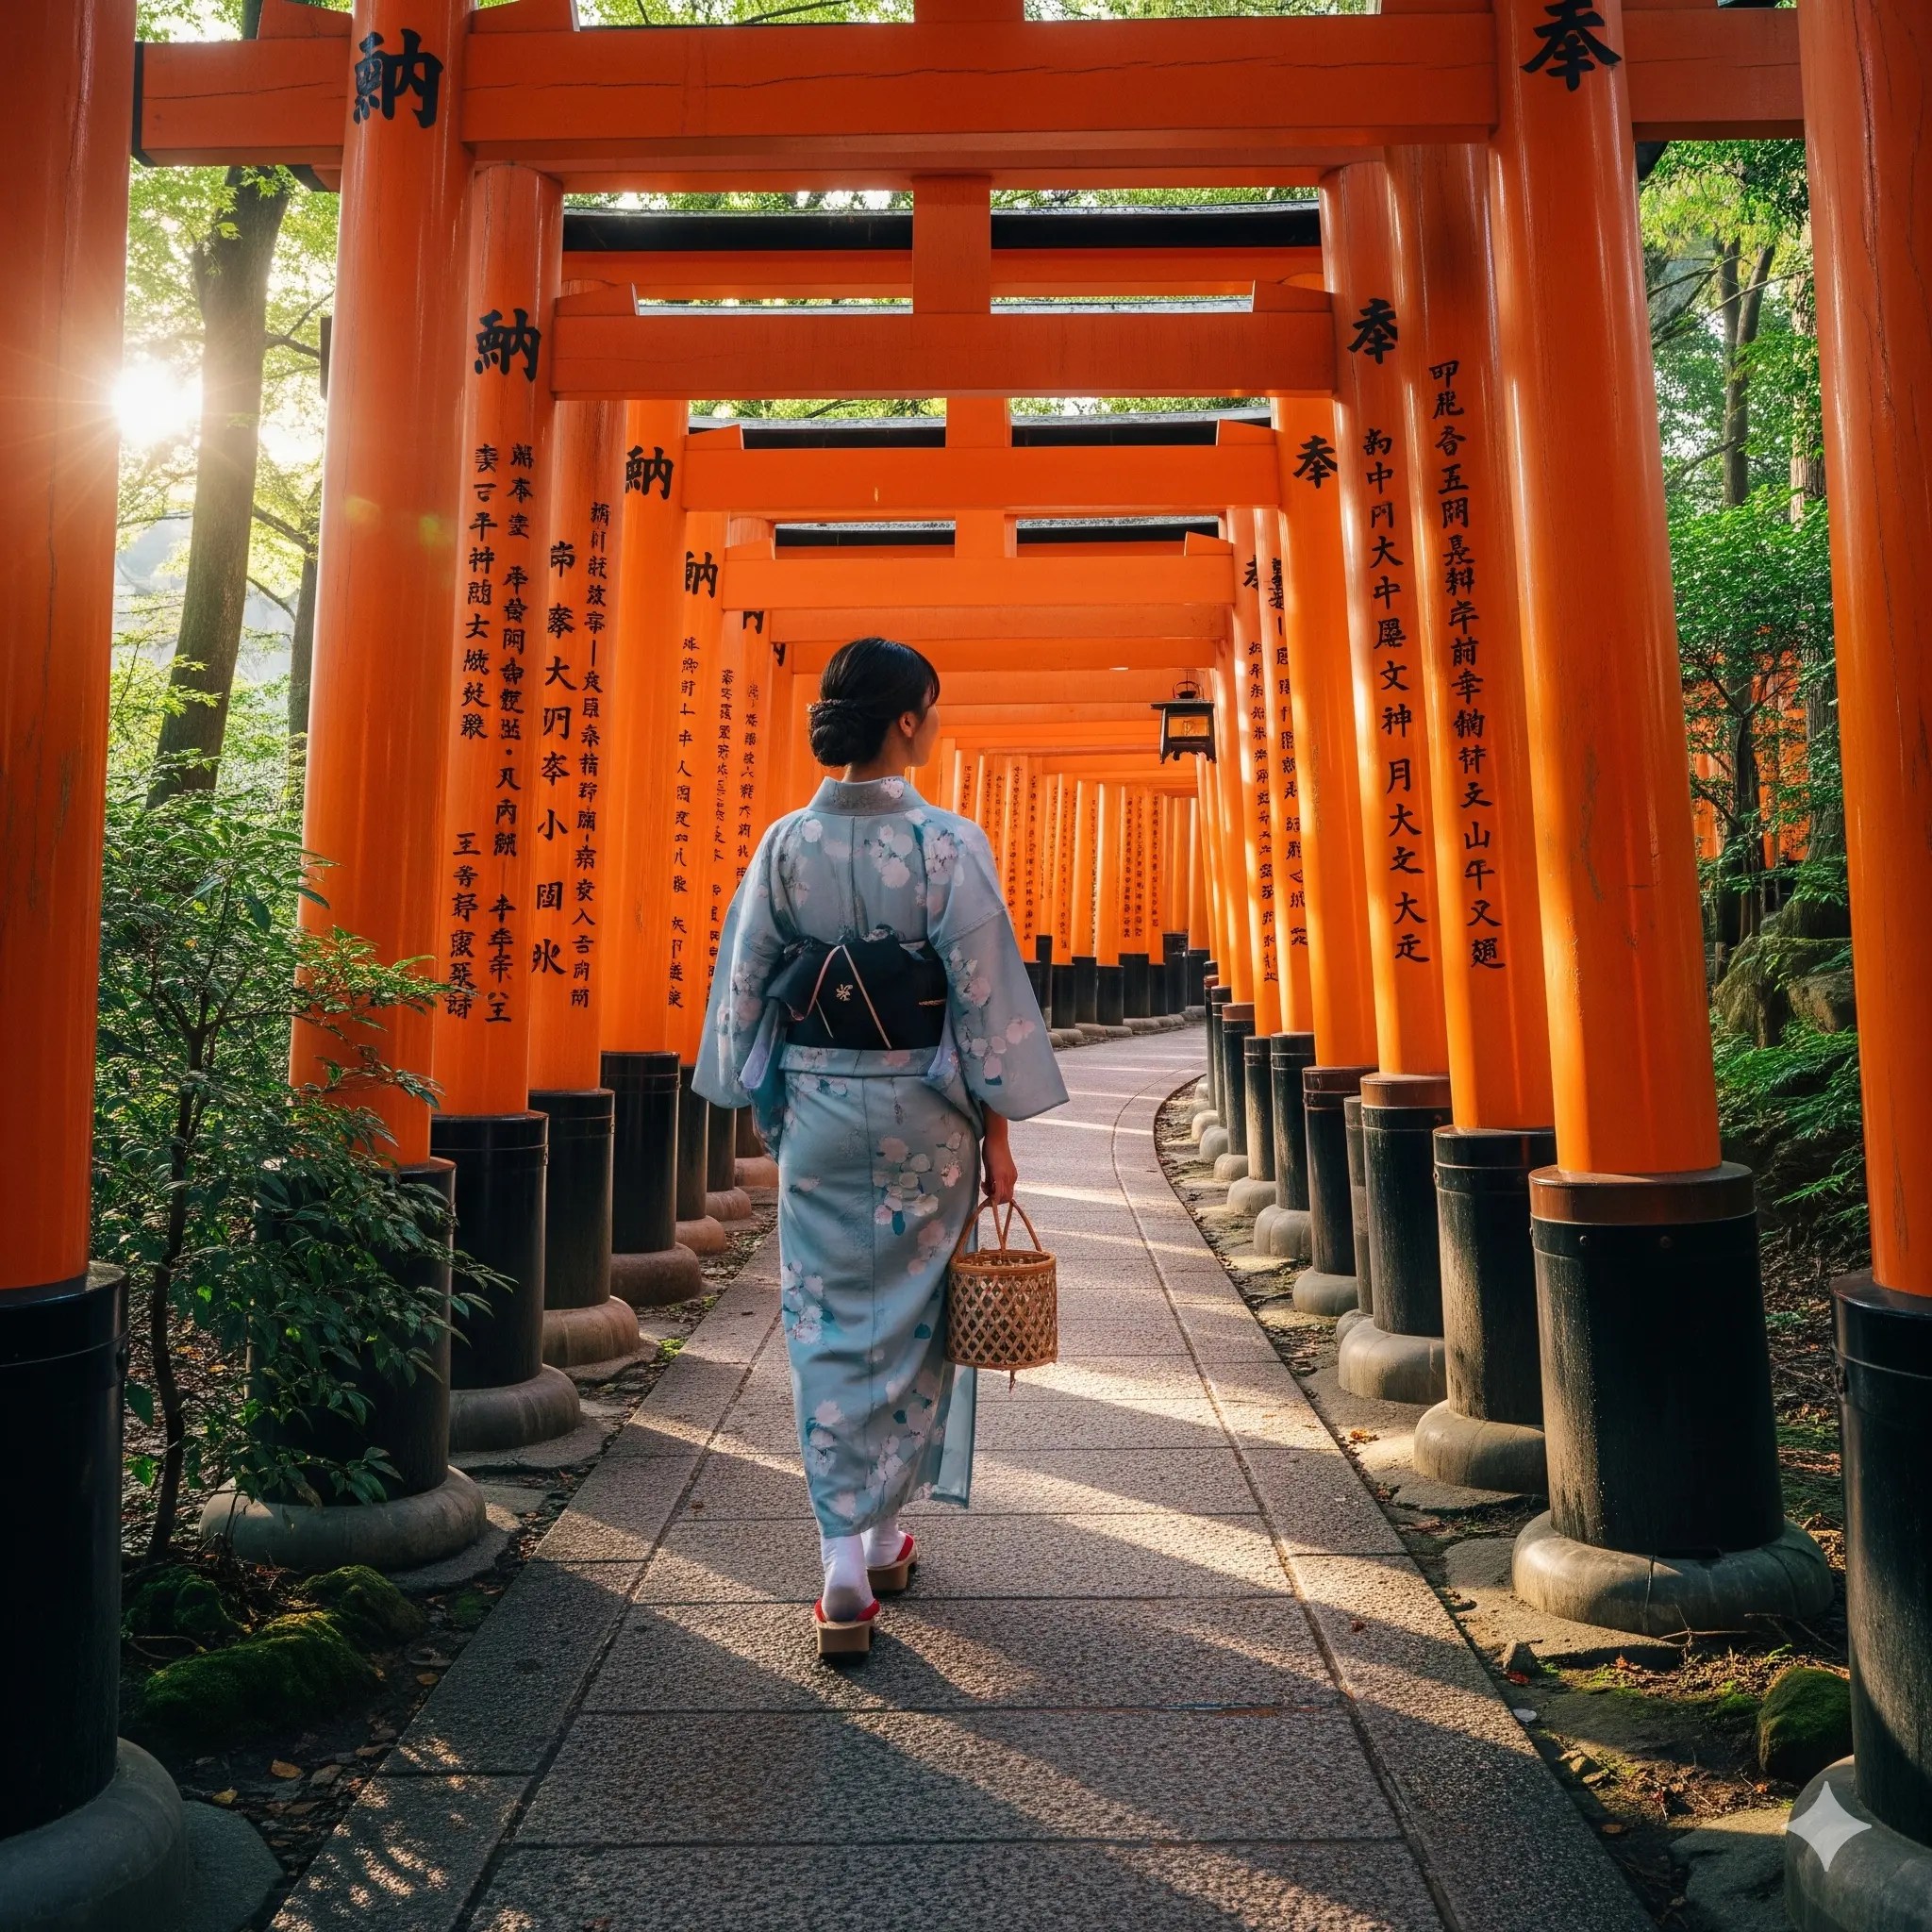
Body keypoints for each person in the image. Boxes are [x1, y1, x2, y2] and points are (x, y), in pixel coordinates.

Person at [695, 636, 1066, 1658]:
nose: (934, 724)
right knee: (908, 1318)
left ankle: (843, 1560)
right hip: (922, 1116)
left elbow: (746, 986)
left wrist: (764, 1092)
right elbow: (984, 998)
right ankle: (882, 1524)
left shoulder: (783, 845)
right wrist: (996, 1133)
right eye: (931, 709)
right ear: (906, 719)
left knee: (820, 1316)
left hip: (818, 1108)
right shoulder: (948, 844)